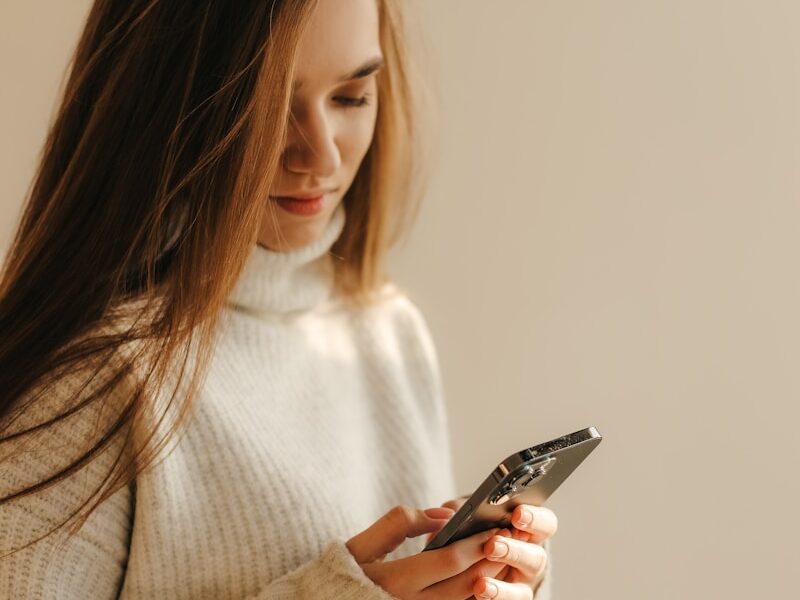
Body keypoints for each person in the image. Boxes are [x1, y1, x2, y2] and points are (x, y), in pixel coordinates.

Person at [0, 1, 556, 598]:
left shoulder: (389, 332)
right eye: (265, 106)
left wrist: (491, 580)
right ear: (162, 101)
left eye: (351, 97)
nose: (320, 155)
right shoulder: (89, 382)